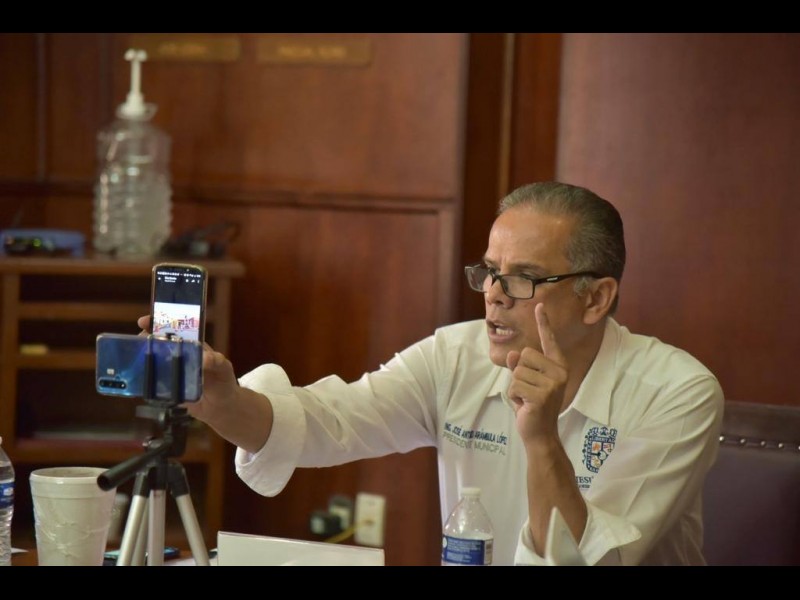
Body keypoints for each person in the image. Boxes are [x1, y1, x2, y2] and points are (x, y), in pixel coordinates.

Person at [140, 181, 724, 565]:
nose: (494, 295)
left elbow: (593, 561)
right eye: (489, 271)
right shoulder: (456, 356)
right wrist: (221, 403)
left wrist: (542, 439)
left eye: (523, 279)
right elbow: (325, 423)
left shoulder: (678, 394)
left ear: (596, 299)